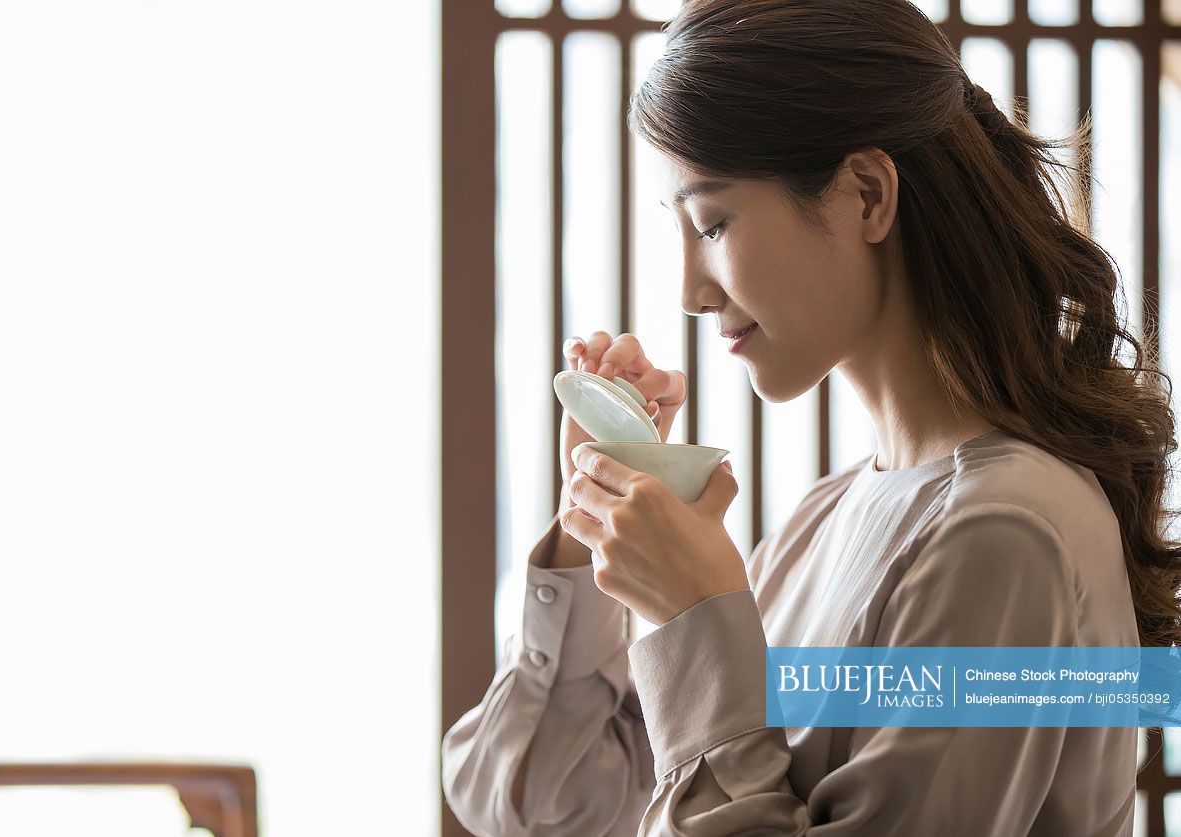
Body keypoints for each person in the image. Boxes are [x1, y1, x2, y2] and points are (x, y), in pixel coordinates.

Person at [442, 0, 1180, 833]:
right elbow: (539, 804)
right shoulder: (823, 518)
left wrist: (697, 618)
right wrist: (595, 518)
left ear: (866, 195)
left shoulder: (1003, 531)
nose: (691, 291)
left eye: (713, 223)